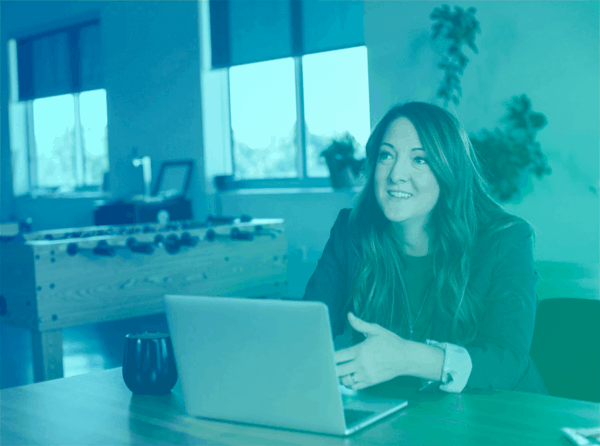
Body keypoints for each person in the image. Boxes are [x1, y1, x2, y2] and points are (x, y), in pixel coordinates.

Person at [303, 102, 548, 394]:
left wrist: (407, 359)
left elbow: (507, 362)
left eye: (420, 160)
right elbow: (307, 329)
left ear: (450, 170)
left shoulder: (506, 240)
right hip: (401, 420)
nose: (396, 174)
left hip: (500, 416)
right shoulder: (352, 231)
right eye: (386, 156)